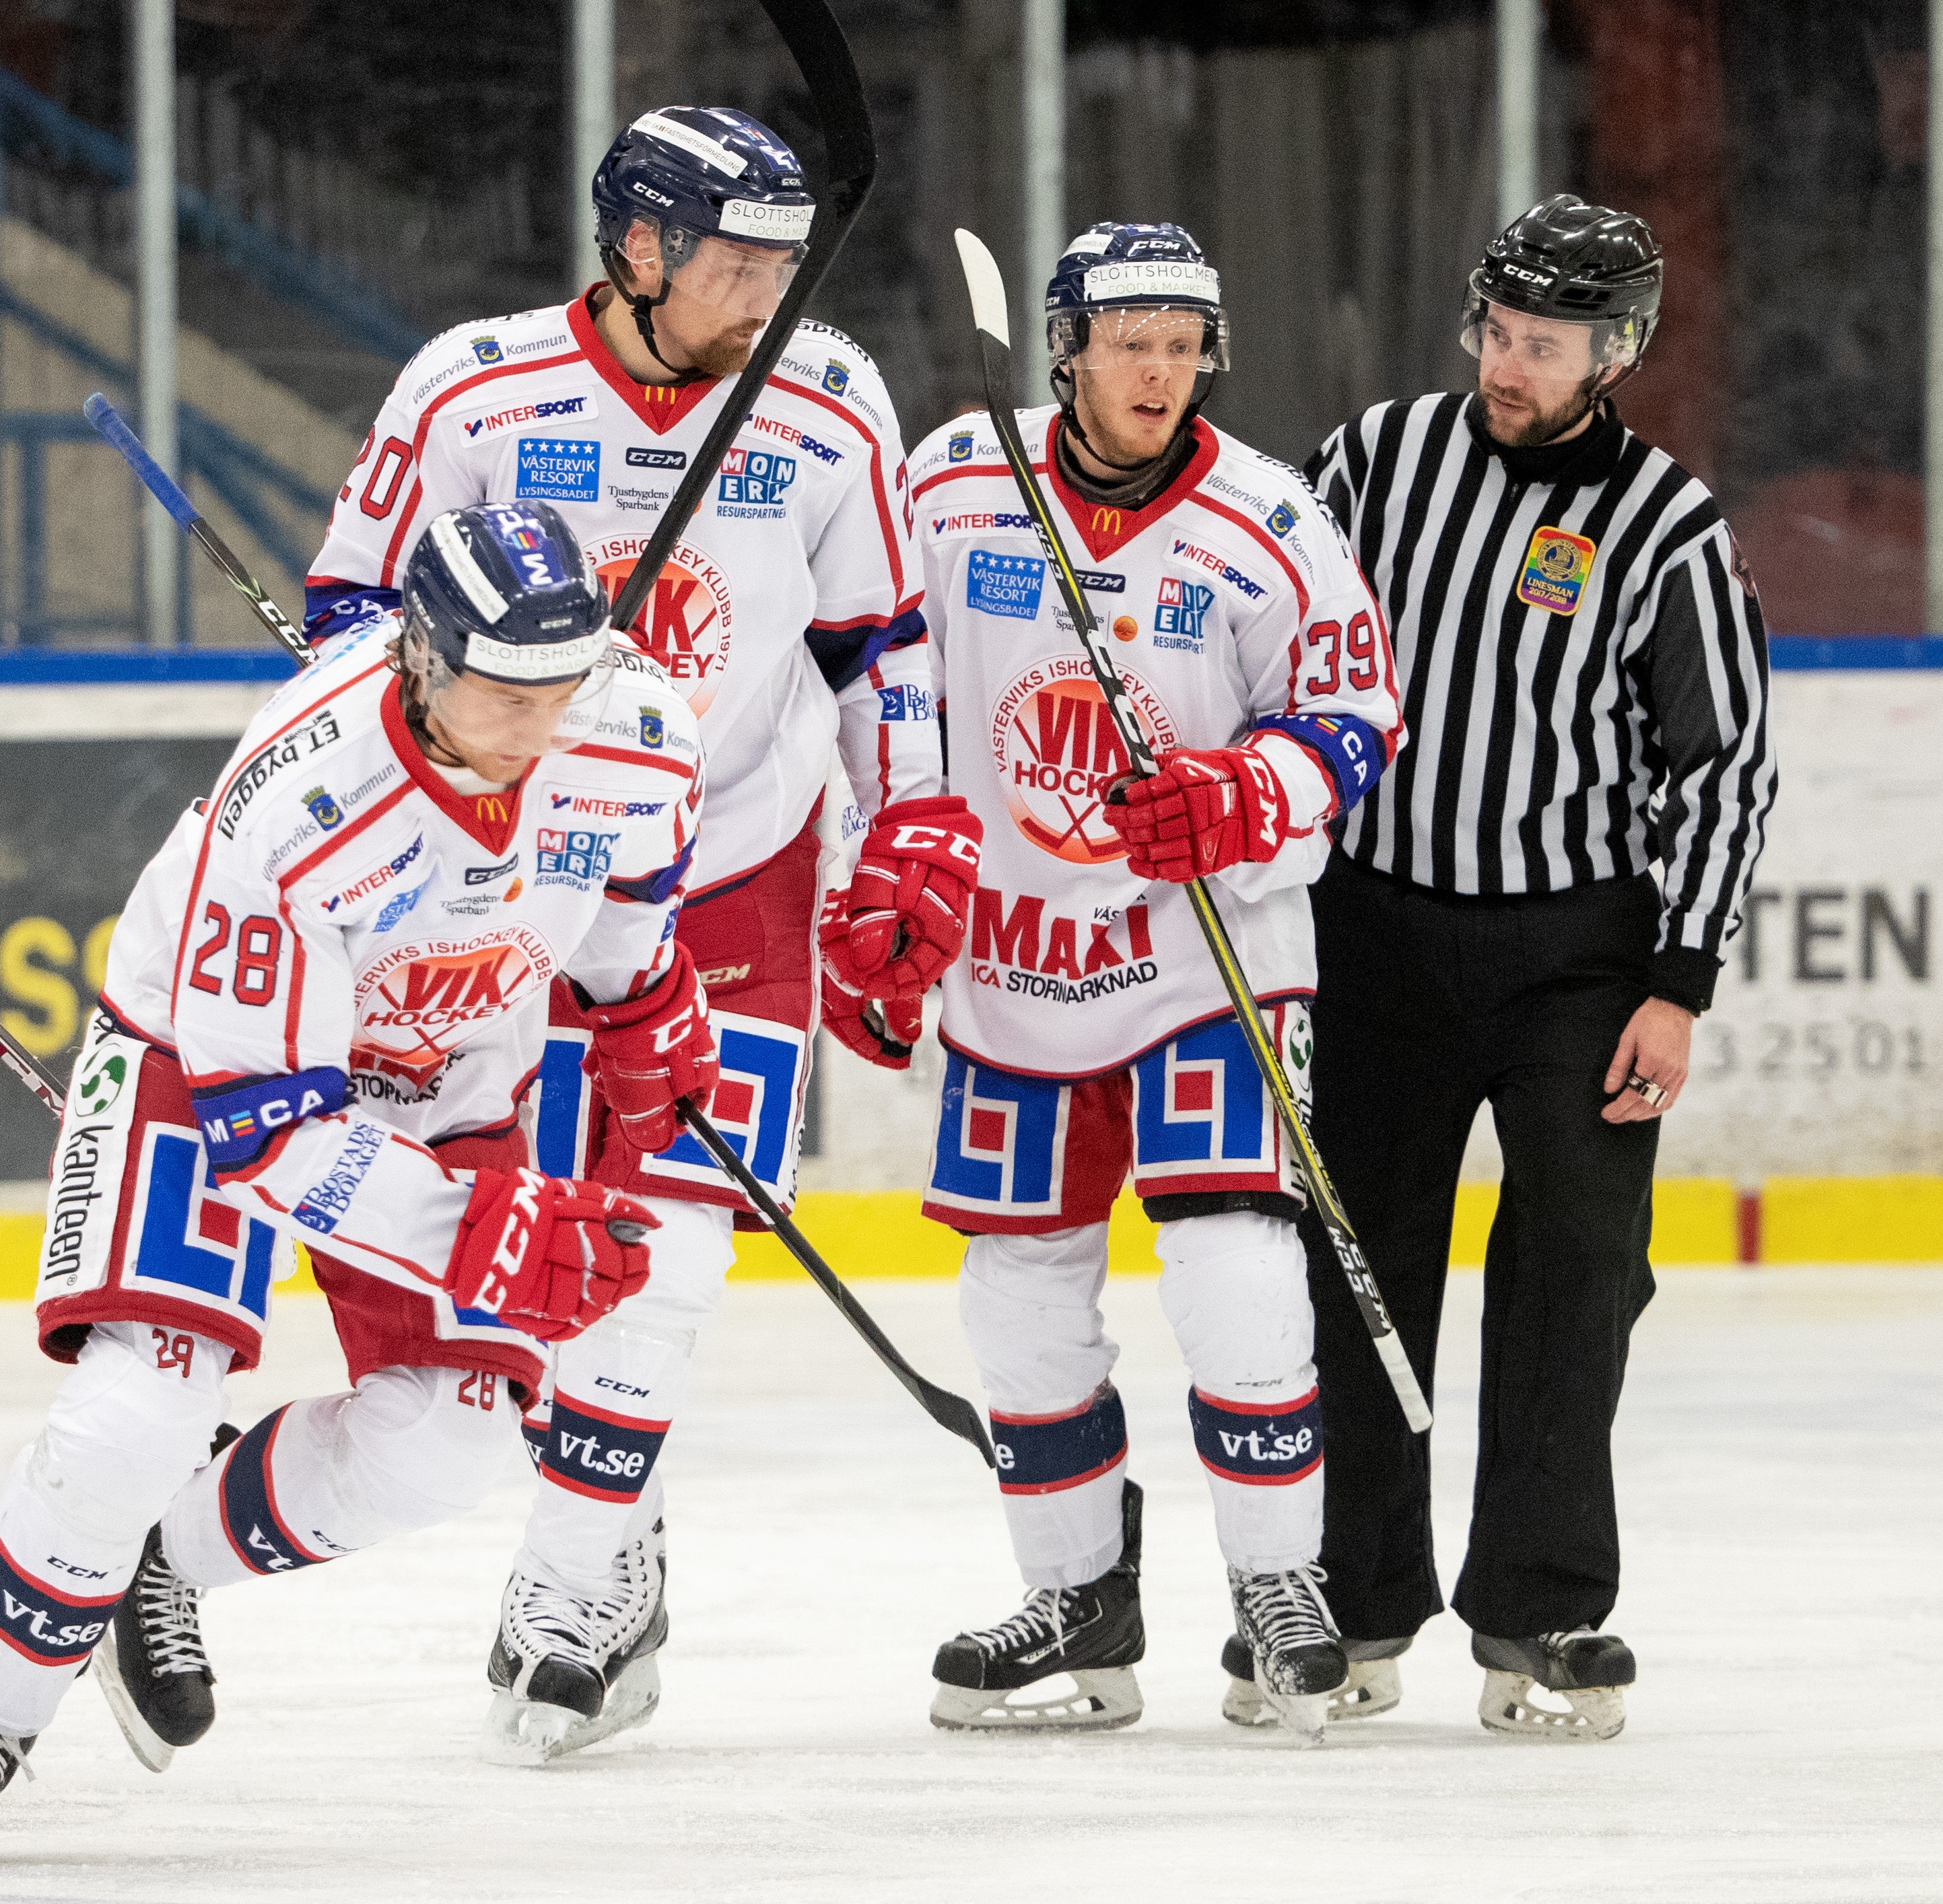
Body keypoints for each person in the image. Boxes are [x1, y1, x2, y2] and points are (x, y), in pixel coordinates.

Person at [0, 500, 710, 1854]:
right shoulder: (303, 802)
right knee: (136, 1407)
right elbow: (264, 1130)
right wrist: (468, 1231)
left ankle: (162, 1556)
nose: (538, 726)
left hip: (447, 1073)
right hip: (205, 1062)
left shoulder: (636, 725)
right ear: (423, 656)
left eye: (562, 688)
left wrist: (646, 1010)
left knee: (454, 1438)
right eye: (505, 694)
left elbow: (623, 894)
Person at [296, 106, 943, 1762]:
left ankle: (576, 1577)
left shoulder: (829, 394)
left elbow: (884, 649)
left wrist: (907, 837)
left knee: (673, 1237)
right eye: (734, 263)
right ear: (638, 248)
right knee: (541, 1248)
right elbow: (352, 617)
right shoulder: (474, 388)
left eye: (785, 263)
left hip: (735, 871)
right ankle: (616, 1528)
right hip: (513, 887)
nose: (767, 294)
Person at [903, 224, 1403, 1744]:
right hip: (1011, 960)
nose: (1160, 372)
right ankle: (1076, 1597)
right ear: (1064, 348)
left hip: (1206, 958)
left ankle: (1280, 1588)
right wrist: (887, 869)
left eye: (1184, 346)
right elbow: (885, 686)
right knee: (1018, 1295)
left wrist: (1244, 795)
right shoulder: (952, 482)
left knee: (1235, 1268)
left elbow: (1352, 713)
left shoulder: (1267, 517)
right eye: (1130, 342)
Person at [1294, 194, 1774, 1740]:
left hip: (1579, 959)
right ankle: (1353, 1604)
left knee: (1574, 1273)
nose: (1507, 365)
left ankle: (1543, 1608)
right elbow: (1262, 627)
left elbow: (1721, 765)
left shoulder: (1666, 525)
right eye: (1496, 332)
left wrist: (1677, 984)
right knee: (1354, 1266)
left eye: (1544, 345)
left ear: (1613, 353)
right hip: (1372, 934)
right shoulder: (1373, 462)